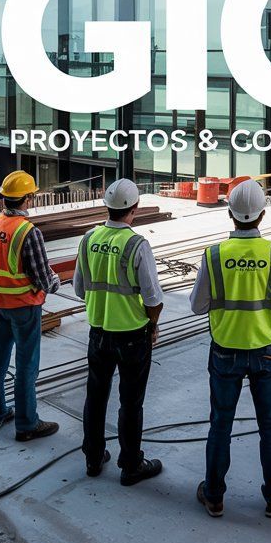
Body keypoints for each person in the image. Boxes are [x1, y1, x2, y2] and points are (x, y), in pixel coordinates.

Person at [190, 179, 271, 519]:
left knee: (220, 425)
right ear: (262, 215)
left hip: (225, 352)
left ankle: (214, 496)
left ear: (230, 214)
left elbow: (197, 305)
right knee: (270, 426)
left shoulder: (214, 255)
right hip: (266, 351)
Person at [74, 178, 164, 486]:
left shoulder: (88, 239)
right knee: (130, 401)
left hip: (98, 332)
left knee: (95, 397)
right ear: (134, 209)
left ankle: (93, 457)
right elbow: (153, 298)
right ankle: (131, 465)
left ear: (107, 207)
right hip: (132, 335)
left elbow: (78, 288)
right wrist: (152, 326)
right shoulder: (137, 244)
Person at [0, 170, 61, 442]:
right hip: (22, 305)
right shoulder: (28, 232)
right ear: (27, 199)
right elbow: (42, 277)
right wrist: (56, 282)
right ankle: (27, 424)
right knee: (26, 365)